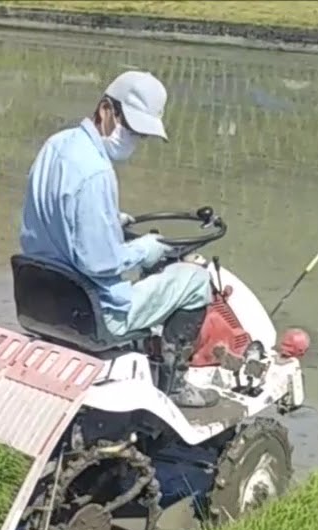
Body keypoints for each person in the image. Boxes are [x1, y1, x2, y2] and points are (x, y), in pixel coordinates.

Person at [18, 70, 218, 408]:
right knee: (195, 281)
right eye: (132, 129)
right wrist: (143, 249)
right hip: (92, 313)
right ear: (106, 109)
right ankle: (174, 385)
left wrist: (109, 220)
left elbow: (51, 212)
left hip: (40, 298)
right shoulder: (97, 173)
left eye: (140, 135)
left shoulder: (57, 145)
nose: (134, 140)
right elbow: (99, 263)